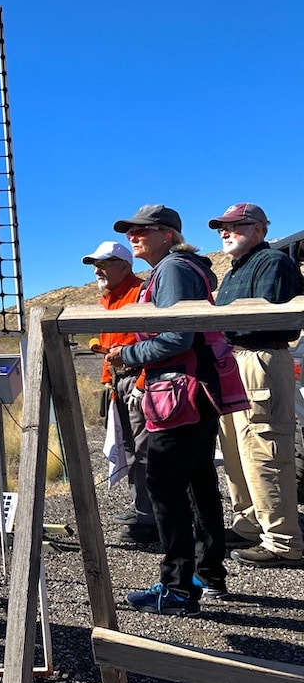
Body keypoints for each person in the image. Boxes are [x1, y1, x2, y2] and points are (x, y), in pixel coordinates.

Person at [104, 204, 229, 616]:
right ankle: (206, 573)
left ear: (169, 234)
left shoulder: (173, 269)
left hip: (179, 392)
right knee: (197, 481)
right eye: (132, 231)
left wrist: (128, 354)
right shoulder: (182, 267)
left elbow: (177, 336)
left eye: (145, 230)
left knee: (165, 485)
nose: (134, 236)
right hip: (194, 390)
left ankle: (177, 588)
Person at [208, 202, 304, 568]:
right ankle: (250, 525)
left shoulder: (273, 263)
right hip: (236, 360)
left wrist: (216, 329)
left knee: (264, 448)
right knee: (235, 449)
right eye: (221, 227)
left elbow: (261, 321)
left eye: (235, 225)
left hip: (259, 359)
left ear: (260, 230)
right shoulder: (235, 271)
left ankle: (282, 541)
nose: (224, 231)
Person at [81, 241, 157, 545]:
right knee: (128, 448)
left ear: (125, 265)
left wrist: (142, 383)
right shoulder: (108, 300)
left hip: (139, 380)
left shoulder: (140, 293)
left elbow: (152, 342)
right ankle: (141, 508)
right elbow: (110, 345)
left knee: (145, 450)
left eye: (105, 263)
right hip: (118, 382)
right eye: (96, 265)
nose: (98, 270)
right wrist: (106, 379)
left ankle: (151, 518)